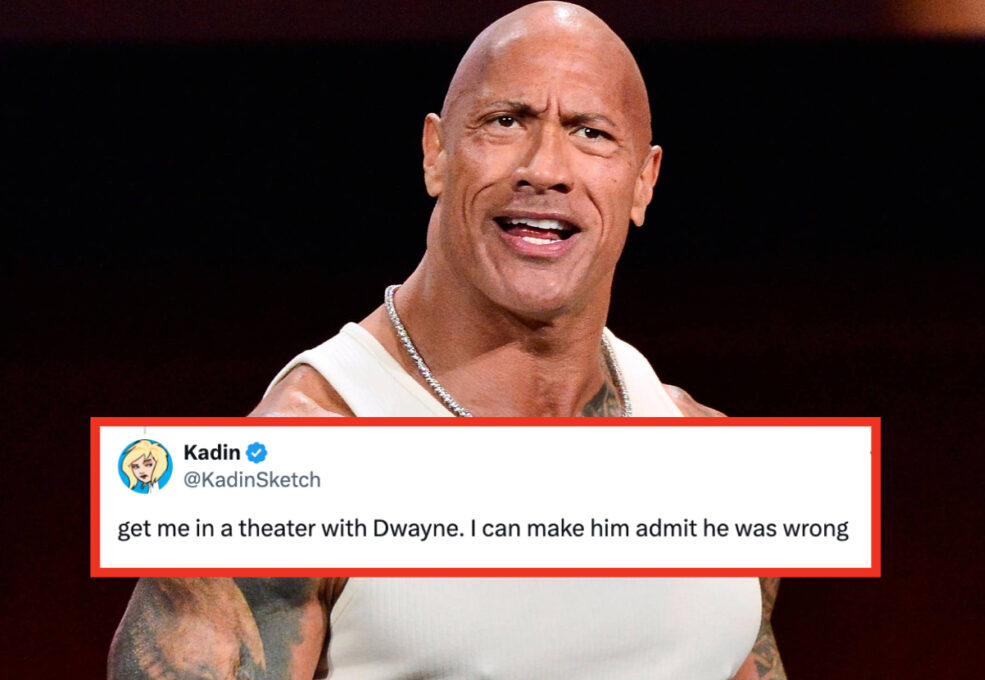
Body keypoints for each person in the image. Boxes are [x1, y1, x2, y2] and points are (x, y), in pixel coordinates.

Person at [108, 3, 785, 679]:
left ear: (643, 183)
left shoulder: (711, 456)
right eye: (506, 121)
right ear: (436, 152)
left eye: (591, 133)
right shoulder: (286, 471)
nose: (545, 168)